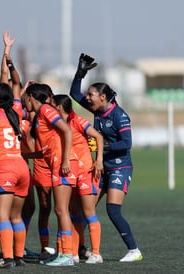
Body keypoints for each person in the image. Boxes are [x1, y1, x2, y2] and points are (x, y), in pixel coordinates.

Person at [69, 53, 143, 262]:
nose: (88, 98)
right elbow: (74, 92)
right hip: (100, 167)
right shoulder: (96, 109)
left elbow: (127, 143)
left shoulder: (119, 115)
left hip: (120, 167)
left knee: (112, 210)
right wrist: (80, 72)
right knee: (86, 208)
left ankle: (134, 250)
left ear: (103, 97)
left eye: (91, 94)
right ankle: (79, 249)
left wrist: (105, 145)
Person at [0, 42, 30, 268]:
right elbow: (16, 81)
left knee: (2, 216)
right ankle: (18, 256)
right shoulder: (18, 110)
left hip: (4, 168)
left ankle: (8, 257)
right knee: (16, 217)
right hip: (22, 168)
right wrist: (9, 59)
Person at [23, 83, 78, 267]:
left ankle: (68, 254)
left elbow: (67, 130)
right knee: (59, 210)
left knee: (61, 210)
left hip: (63, 163)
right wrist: (24, 155)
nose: (24, 102)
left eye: (25, 98)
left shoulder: (46, 109)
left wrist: (65, 161)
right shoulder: (40, 116)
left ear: (30, 96)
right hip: (56, 162)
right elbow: (45, 149)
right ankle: (63, 252)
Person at [51, 94, 104, 264]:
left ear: (59, 107)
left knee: (89, 212)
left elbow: (98, 137)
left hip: (86, 171)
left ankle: (96, 253)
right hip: (71, 172)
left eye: (52, 105)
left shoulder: (78, 121)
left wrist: (99, 160)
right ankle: (73, 253)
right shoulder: (58, 124)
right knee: (74, 213)